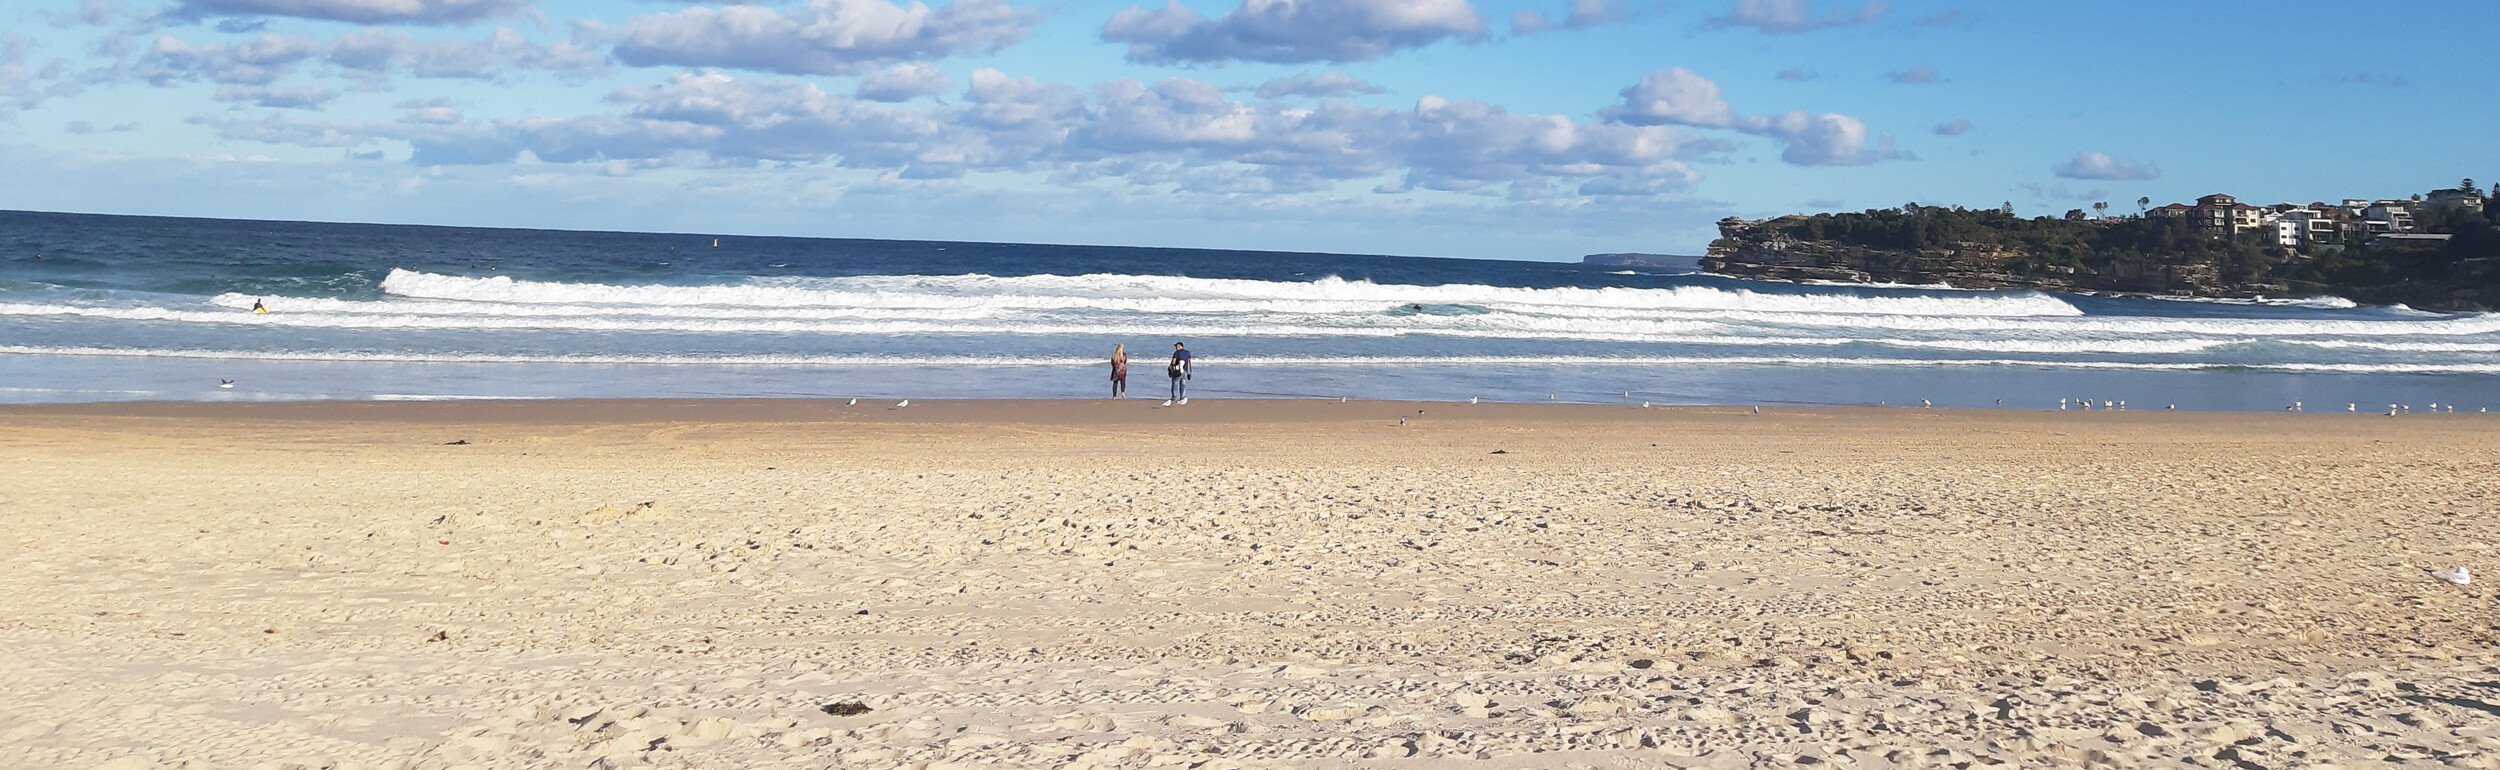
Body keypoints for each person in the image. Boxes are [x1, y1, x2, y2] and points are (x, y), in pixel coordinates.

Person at [1164, 341, 1191, 406]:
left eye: (1176, 346)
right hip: (1185, 370)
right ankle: (1182, 397)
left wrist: (1170, 369)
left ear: (1179, 346)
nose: (1176, 348)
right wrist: (1189, 372)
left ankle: (1174, 397)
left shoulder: (1176, 353)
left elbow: (1173, 362)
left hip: (1178, 371)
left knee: (1175, 383)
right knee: (1183, 384)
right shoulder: (1187, 353)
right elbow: (1189, 363)